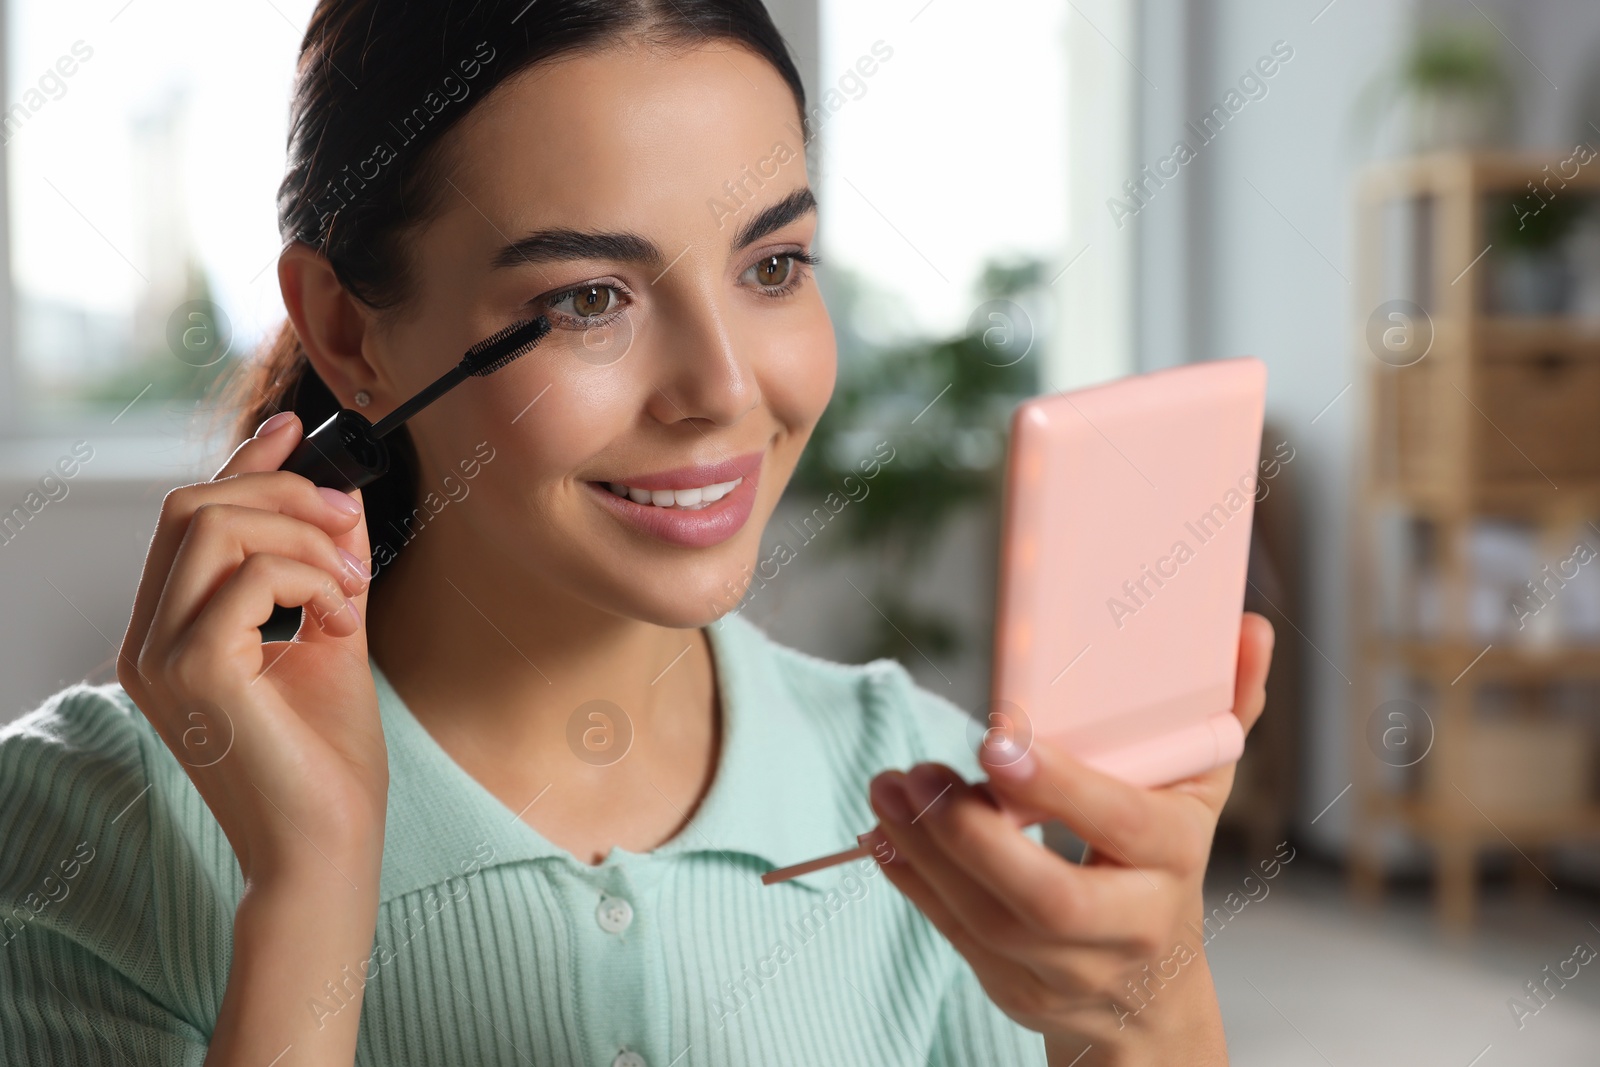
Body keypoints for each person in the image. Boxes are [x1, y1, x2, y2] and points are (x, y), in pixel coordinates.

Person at [0, 1, 1275, 1064]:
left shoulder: (934, 796)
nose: (722, 387)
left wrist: (1147, 1014)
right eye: (589, 298)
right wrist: (309, 894)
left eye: (771, 265)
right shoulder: (72, 828)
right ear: (349, 335)